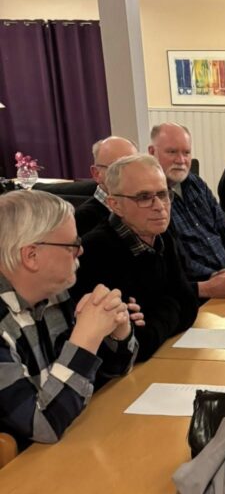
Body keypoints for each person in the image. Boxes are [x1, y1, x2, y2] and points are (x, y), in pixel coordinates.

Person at [0, 190, 138, 446]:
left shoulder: (54, 294)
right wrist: (86, 340)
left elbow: (103, 377)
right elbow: (43, 427)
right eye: (71, 245)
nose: (81, 251)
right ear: (31, 256)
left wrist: (117, 333)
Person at [73, 155, 199, 363]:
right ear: (115, 205)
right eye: (144, 197)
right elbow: (132, 346)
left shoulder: (163, 236)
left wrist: (154, 316)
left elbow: (188, 306)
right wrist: (169, 307)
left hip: (167, 357)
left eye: (163, 194)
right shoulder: (95, 252)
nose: (159, 206)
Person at [148, 123, 225, 300]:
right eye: (172, 152)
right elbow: (177, 259)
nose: (181, 160)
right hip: (197, 292)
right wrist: (214, 276)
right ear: (152, 152)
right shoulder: (152, 200)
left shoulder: (196, 184)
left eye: (186, 152)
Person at [75, 135, 138, 235]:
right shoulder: (80, 220)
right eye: (117, 168)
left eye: (134, 166)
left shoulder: (148, 208)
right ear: (96, 174)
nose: (129, 174)